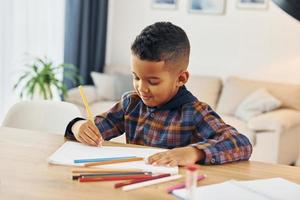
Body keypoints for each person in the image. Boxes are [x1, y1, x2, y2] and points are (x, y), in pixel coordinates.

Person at [65, 22, 252, 167]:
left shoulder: (194, 112)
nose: (141, 88)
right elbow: (95, 129)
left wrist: (192, 153)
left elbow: (241, 143)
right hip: (132, 183)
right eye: (136, 77)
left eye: (153, 81)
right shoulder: (132, 103)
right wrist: (78, 126)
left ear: (181, 78)